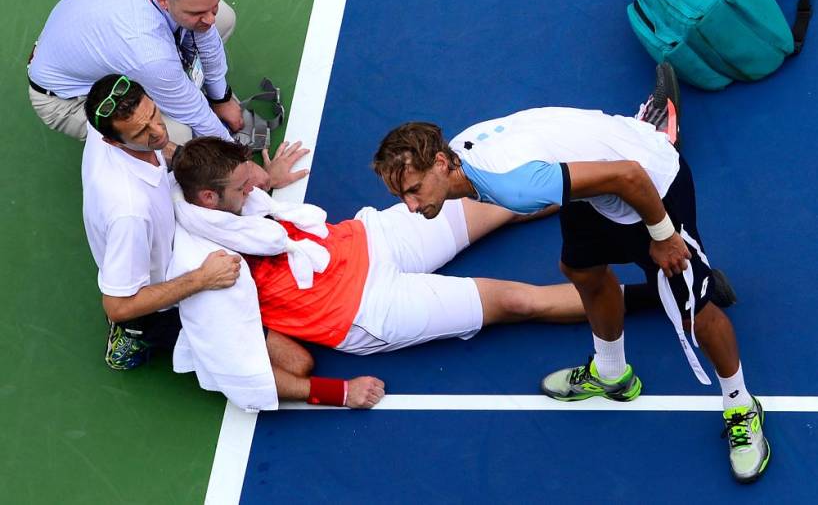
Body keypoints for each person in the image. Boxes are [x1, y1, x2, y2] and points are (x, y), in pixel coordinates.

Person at [371, 63, 768, 484]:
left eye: (413, 190)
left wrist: (664, 235)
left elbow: (628, 176)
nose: (411, 206)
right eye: (401, 196)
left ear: (439, 162)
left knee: (693, 309)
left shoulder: (513, 183)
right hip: (597, 192)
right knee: (581, 268)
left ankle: (741, 404)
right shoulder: (463, 152)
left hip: (653, 187)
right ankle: (613, 374)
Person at [167, 137, 691, 410]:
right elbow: (241, 376)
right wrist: (337, 392)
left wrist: (269, 179)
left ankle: (633, 167)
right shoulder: (203, 271)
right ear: (210, 199)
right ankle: (661, 291)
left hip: (369, 240)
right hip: (370, 310)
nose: (256, 186)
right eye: (246, 186)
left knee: (499, 198)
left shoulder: (226, 200)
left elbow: (254, 188)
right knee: (516, 302)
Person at [81, 74, 306, 371]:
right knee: (295, 363)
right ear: (110, 141)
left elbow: (162, 146)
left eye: (153, 115)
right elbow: (118, 306)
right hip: (154, 303)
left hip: (172, 240)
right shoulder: (130, 212)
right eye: (141, 133)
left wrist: (243, 176)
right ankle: (136, 335)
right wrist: (203, 278)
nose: (157, 131)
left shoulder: (115, 130)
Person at [29, 0, 242, 143]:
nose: (209, 19)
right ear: (163, 0)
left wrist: (220, 98)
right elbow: (196, 115)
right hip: (66, 101)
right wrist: (236, 157)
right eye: (196, 13)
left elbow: (205, 34)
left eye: (210, 6)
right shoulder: (148, 53)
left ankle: (172, 83)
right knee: (176, 134)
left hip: (87, 37)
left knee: (223, 17)